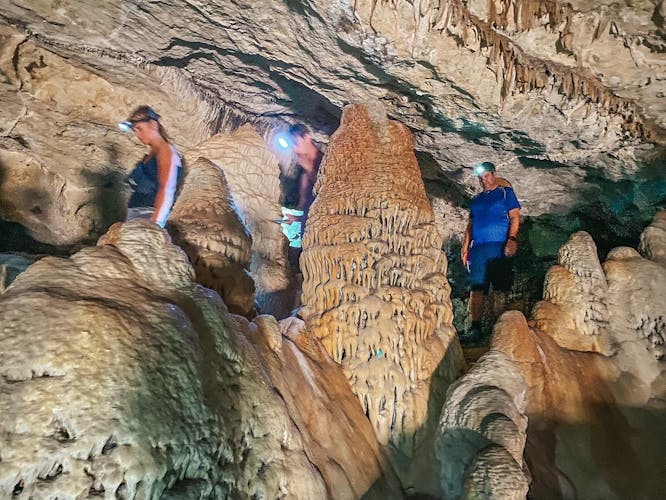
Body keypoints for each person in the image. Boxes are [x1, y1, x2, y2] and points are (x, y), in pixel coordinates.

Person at [460, 161, 521, 343]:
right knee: (476, 288)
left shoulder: (505, 193)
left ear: (494, 174)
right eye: (481, 177)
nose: (483, 180)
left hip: (498, 245)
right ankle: (475, 327)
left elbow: (515, 217)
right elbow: (470, 224)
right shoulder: (477, 200)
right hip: (478, 247)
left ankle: (500, 326)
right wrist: (465, 246)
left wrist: (512, 239)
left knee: (499, 288)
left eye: (486, 175)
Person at [122, 106, 182, 228]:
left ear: (153, 124)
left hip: (149, 214)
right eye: (134, 130)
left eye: (139, 129)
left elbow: (166, 189)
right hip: (137, 212)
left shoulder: (166, 151)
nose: (137, 134)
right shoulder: (152, 153)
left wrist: (156, 225)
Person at [279, 123, 323, 263]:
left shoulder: (325, 161)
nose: (294, 149)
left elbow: (332, 193)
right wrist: (295, 218)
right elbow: (309, 208)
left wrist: (310, 170)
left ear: (307, 137)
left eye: (295, 143)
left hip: (323, 237)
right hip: (307, 236)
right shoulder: (303, 171)